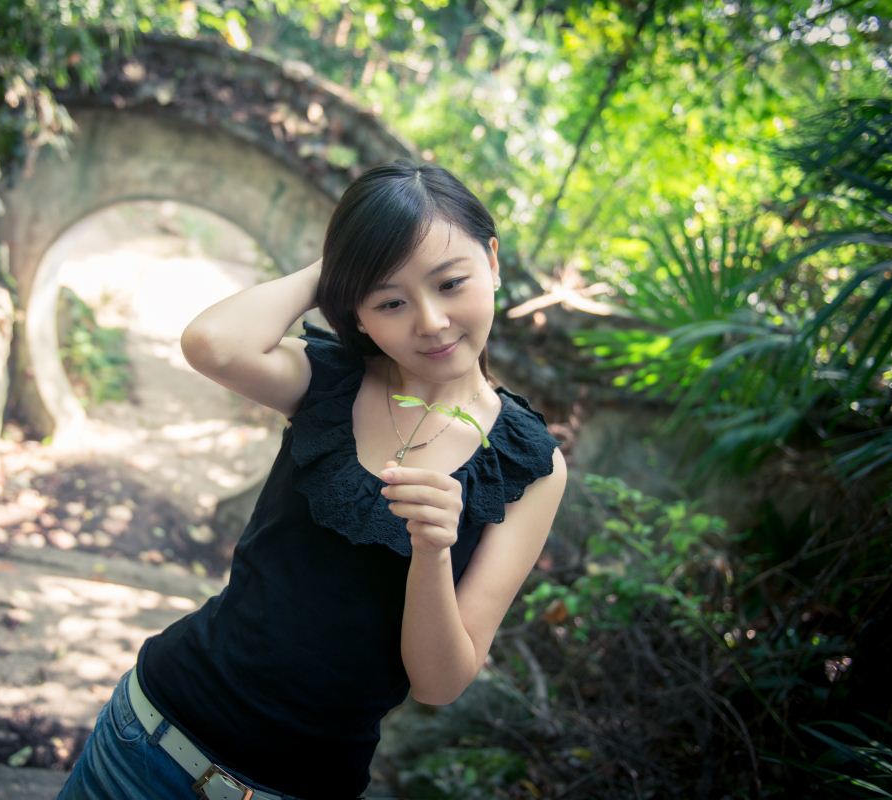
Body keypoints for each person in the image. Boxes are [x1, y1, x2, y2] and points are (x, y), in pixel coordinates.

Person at [56, 159, 567, 800]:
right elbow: (212, 344)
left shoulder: (527, 466)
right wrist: (345, 263)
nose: (431, 320)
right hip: (146, 745)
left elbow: (439, 684)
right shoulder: (330, 378)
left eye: (450, 282)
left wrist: (433, 552)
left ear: (492, 261)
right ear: (357, 311)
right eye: (390, 300)